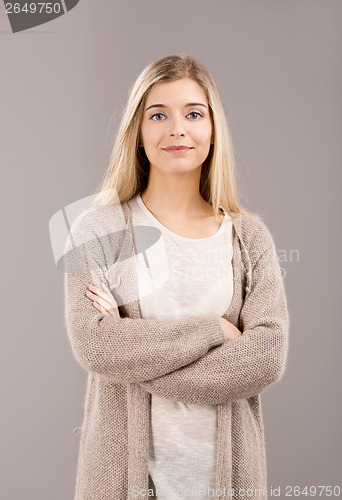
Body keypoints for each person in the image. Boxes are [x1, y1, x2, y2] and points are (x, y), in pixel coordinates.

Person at [64, 54, 289, 500]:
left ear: (212, 129)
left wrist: (132, 345)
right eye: (158, 115)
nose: (177, 128)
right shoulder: (99, 229)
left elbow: (265, 358)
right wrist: (215, 331)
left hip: (229, 481)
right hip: (122, 484)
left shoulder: (249, 238)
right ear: (139, 132)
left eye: (193, 113)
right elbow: (94, 345)